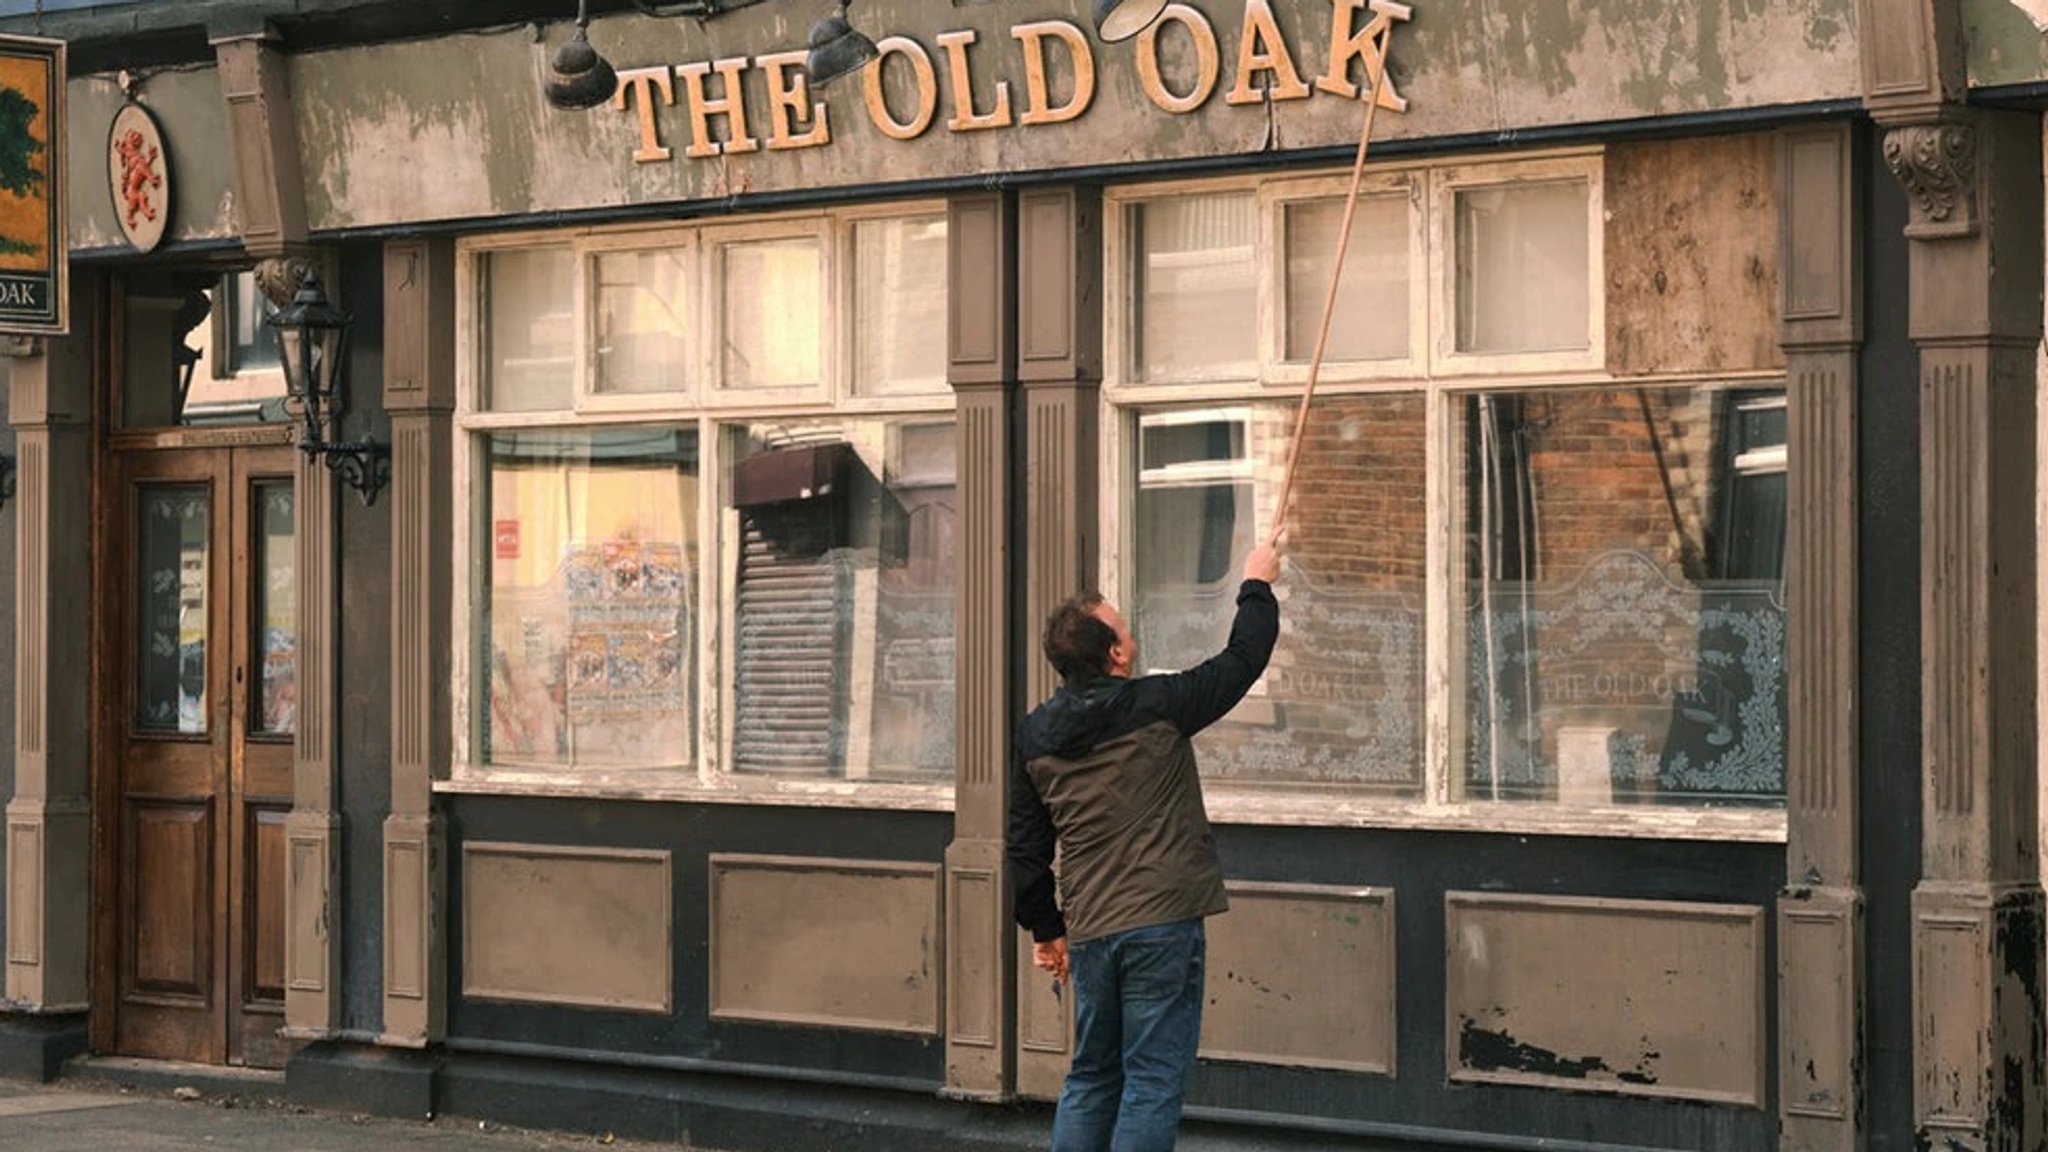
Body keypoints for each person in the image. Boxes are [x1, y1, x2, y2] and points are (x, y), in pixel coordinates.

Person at [1008, 542, 1283, 1152]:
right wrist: (1256, 584)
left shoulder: (1033, 737)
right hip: (1161, 923)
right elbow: (1242, 660)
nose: (1132, 639)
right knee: (1152, 1081)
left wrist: (1045, 929)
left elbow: (1025, 848)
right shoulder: (1159, 706)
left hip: (1093, 929)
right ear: (1114, 655)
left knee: (1090, 1076)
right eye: (1125, 632)